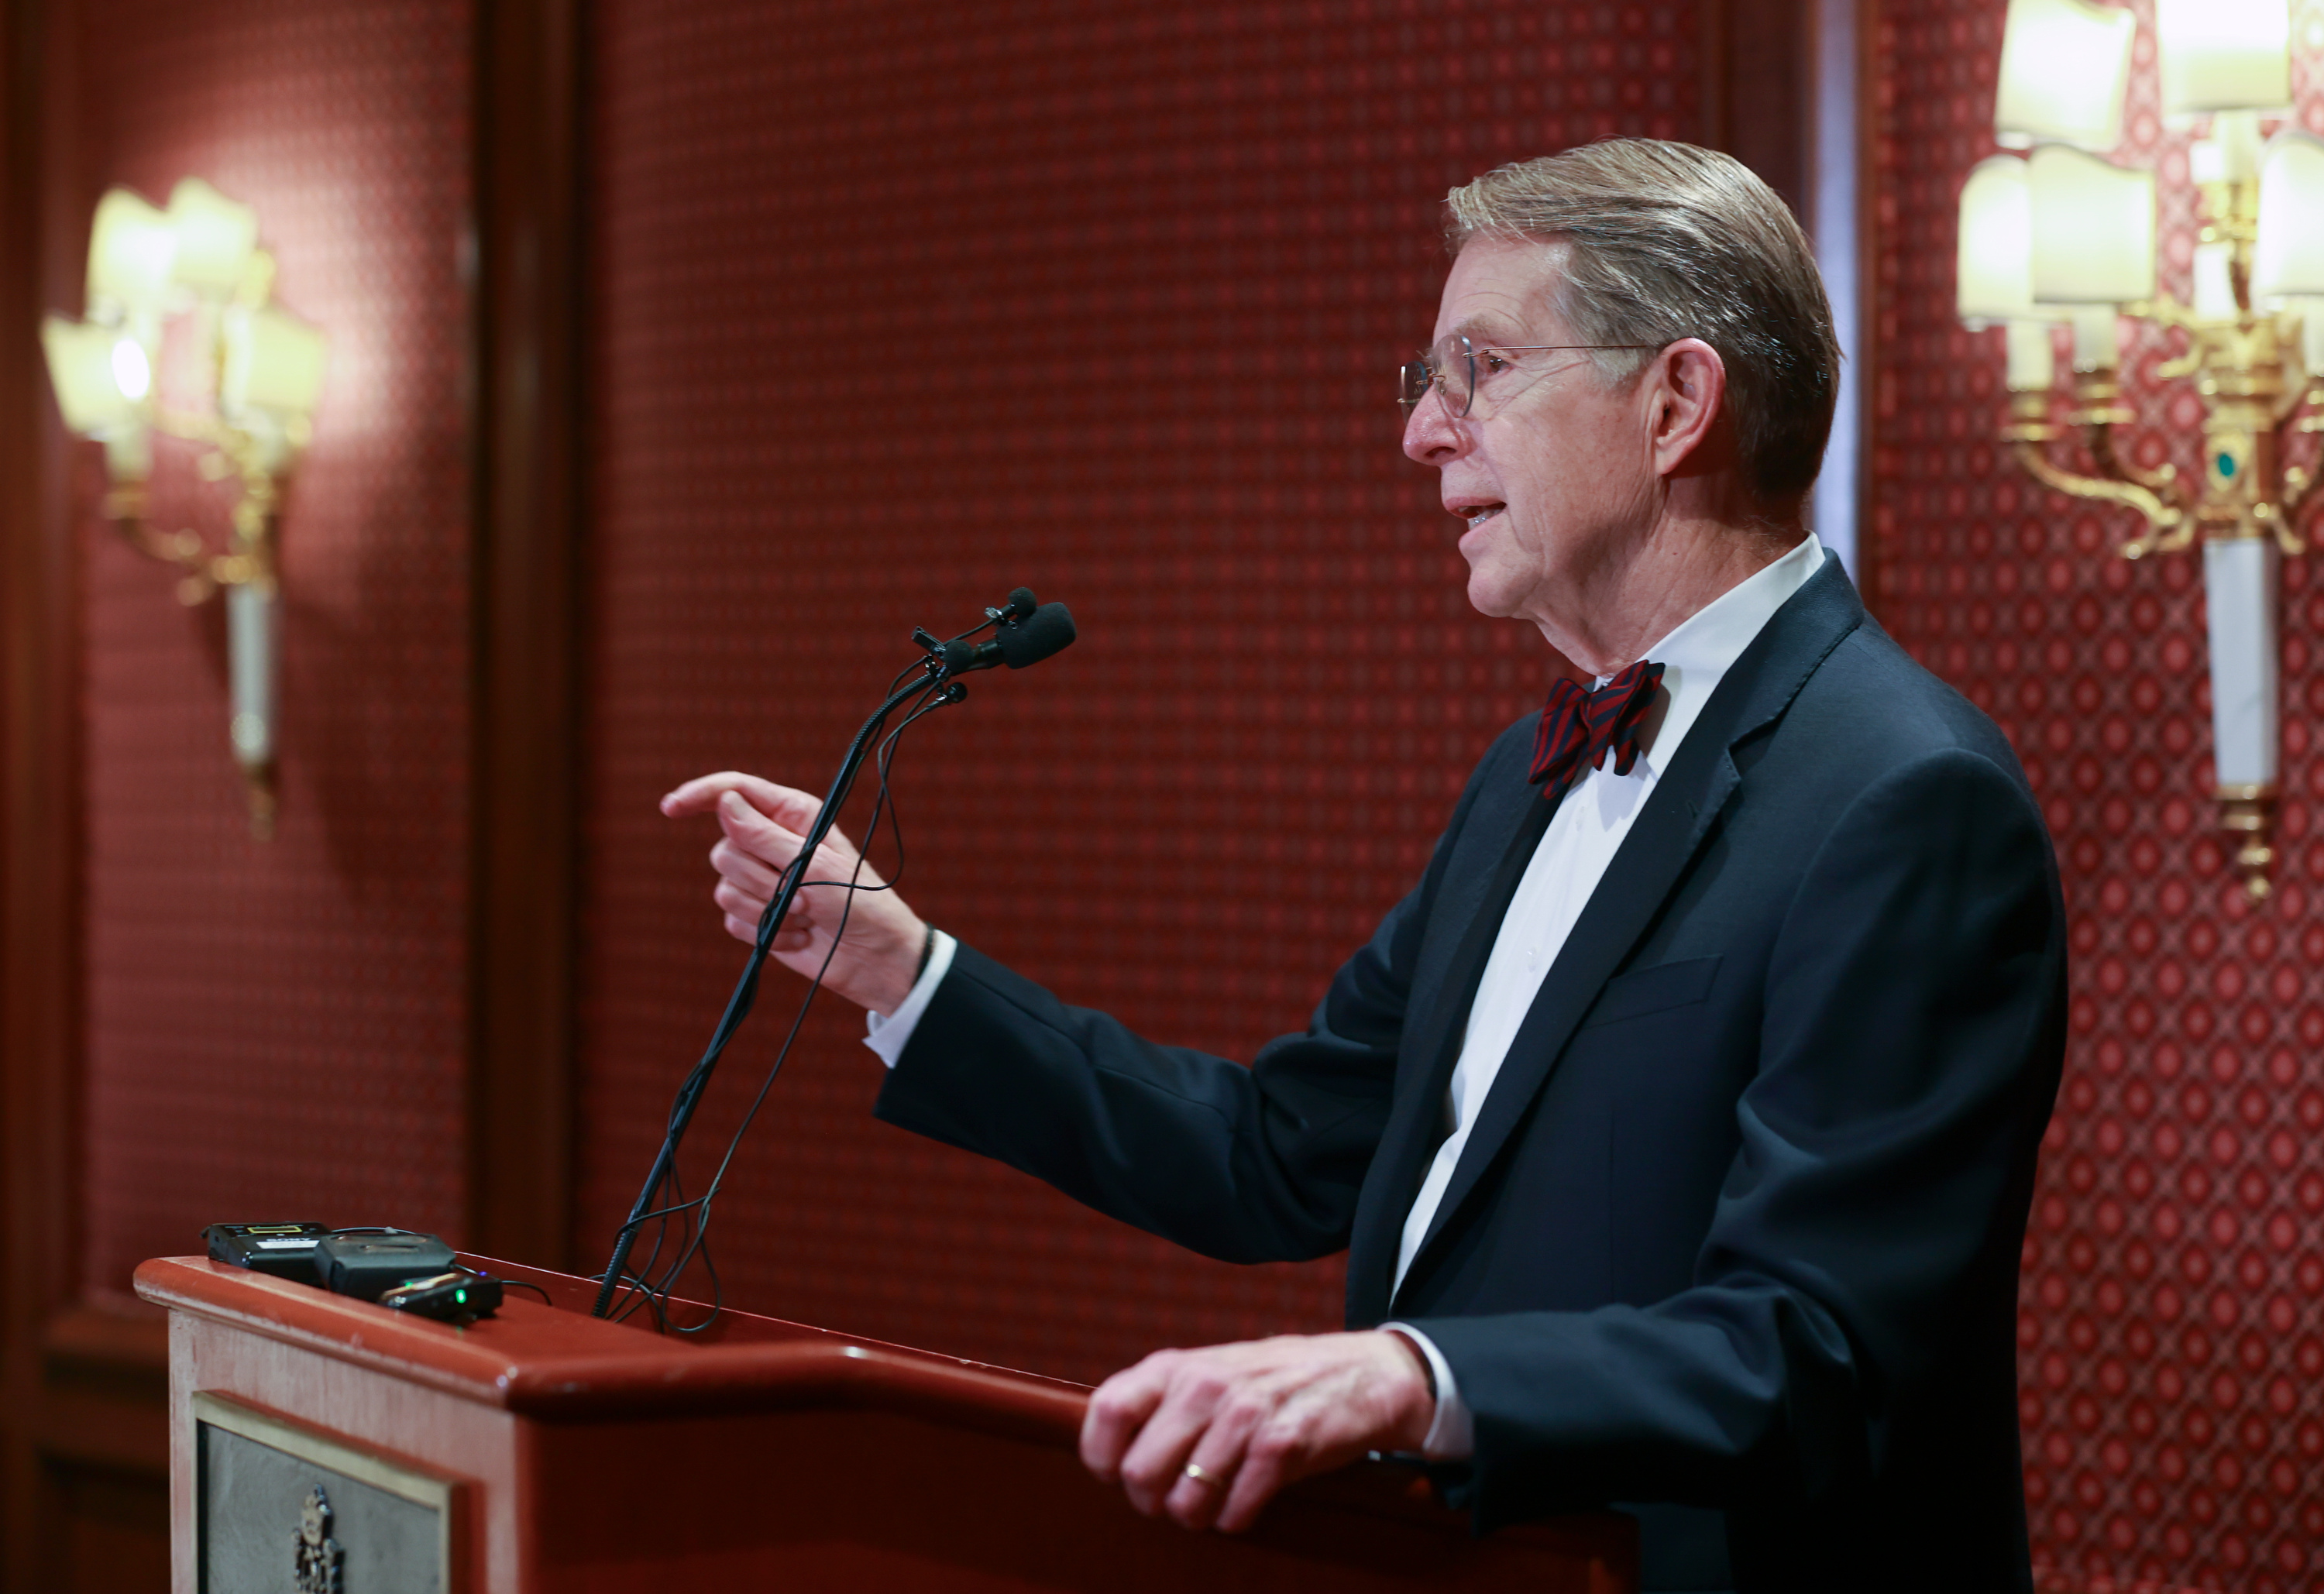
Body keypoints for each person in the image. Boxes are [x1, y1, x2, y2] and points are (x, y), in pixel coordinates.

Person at [663, 139, 2065, 1594]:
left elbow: (1818, 1344)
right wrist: (907, 972)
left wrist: (1411, 1376)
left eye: (1482, 368)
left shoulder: (1908, 797)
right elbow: (1275, 1151)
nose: (1424, 434)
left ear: (1675, 402)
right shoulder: (1516, 785)